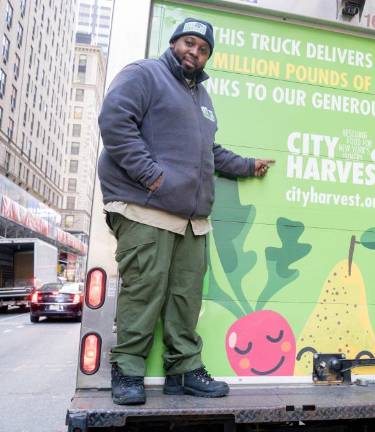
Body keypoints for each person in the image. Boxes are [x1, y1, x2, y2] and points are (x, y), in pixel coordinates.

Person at [97, 18, 274, 405]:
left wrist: (247, 165)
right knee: (144, 292)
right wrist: (152, 176)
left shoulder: (201, 99)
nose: (195, 52)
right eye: (189, 43)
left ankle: (185, 370)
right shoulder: (145, 74)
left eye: (203, 48)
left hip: (192, 221)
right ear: (174, 42)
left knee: (186, 298)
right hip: (146, 210)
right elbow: (114, 121)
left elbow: (208, 152)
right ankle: (127, 370)